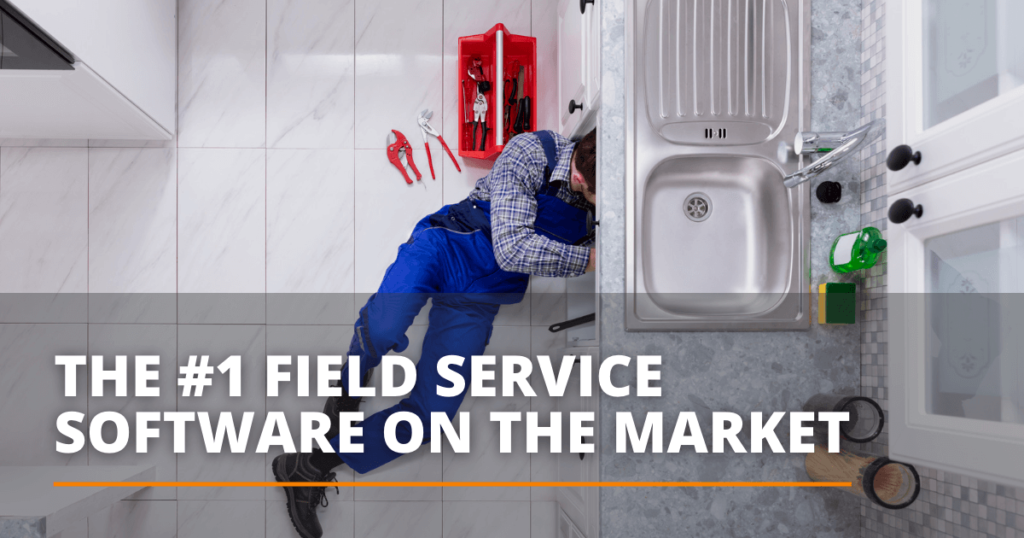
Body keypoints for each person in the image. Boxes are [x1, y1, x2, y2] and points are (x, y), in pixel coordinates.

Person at [272, 128, 598, 538]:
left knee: (434, 415)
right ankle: (348, 389)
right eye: (594, 198)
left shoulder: (594, 187)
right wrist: (592, 257)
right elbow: (513, 250)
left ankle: (306, 467)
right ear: (582, 177)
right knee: (383, 328)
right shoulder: (532, 150)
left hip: (479, 295)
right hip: (444, 246)